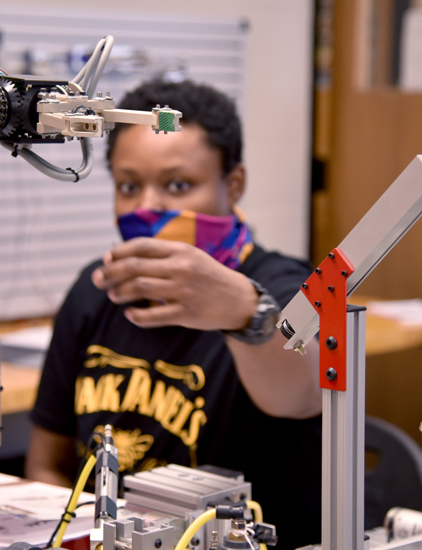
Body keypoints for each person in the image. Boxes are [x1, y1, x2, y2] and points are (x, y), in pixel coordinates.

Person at [25, 79, 323, 548]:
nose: (148, 208)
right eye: (128, 186)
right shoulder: (95, 291)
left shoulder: (285, 288)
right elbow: (47, 463)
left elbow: (301, 394)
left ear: (234, 184)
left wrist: (243, 312)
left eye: (178, 185)